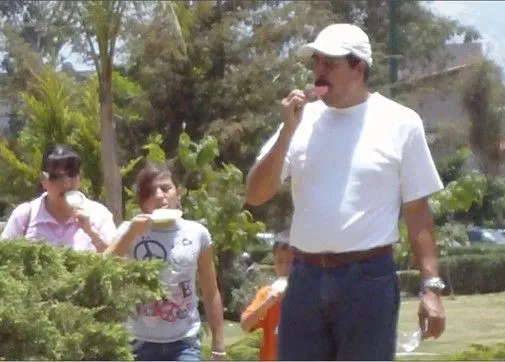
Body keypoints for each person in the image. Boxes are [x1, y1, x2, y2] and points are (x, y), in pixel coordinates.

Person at [245, 23, 447, 360]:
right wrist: (286, 134)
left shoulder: (400, 122)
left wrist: (431, 288)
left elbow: (418, 212)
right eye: (316, 62)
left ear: (359, 68)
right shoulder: (300, 121)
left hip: (367, 279)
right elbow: (255, 194)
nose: (319, 72)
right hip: (305, 277)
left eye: (330, 63)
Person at [104, 162, 225, 361]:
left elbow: (211, 292)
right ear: (142, 201)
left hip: (184, 343)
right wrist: (132, 232)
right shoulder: (129, 229)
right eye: (150, 191)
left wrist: (218, 345)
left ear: (179, 192)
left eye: (166, 188)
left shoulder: (197, 233)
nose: (159, 196)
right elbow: (103, 266)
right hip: (139, 341)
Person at [0, 144, 116, 252]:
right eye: (56, 177)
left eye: (72, 174)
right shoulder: (24, 216)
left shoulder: (99, 215)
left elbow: (118, 264)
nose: (66, 183)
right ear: (43, 180)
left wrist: (91, 232)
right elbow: (0, 259)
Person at [240, 239, 294, 361]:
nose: (285, 268)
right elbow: (245, 325)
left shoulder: (309, 294)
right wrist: (266, 304)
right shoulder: (266, 293)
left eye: (291, 262)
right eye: (279, 262)